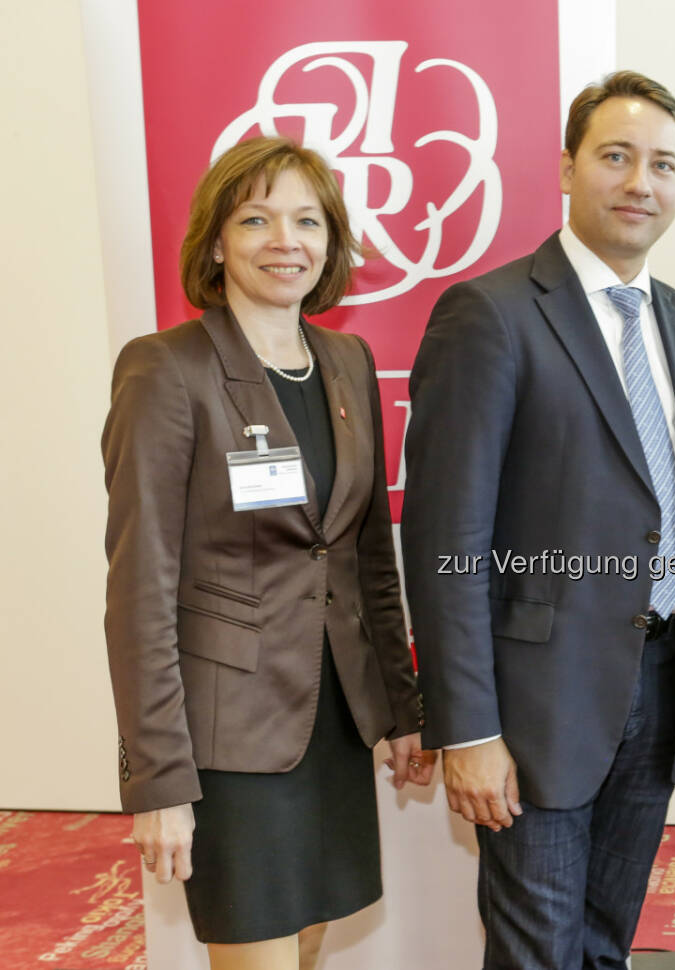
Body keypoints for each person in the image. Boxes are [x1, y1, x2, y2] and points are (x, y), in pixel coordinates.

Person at [401, 70, 675, 969]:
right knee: (537, 949)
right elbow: (444, 539)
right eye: (616, 157)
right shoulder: (491, 315)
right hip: (534, 702)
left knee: (605, 944)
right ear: (565, 166)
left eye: (664, 164)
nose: (640, 183)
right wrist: (466, 728)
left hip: (662, 679)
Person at [102, 136, 434, 970]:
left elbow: (364, 554)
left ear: (331, 242)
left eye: (307, 220)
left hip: (334, 720)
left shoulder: (347, 361)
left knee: (312, 937)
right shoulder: (166, 369)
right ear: (218, 240)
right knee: (258, 952)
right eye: (257, 219)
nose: (286, 240)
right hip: (229, 737)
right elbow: (141, 588)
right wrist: (159, 781)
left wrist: (400, 707)